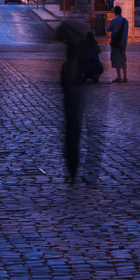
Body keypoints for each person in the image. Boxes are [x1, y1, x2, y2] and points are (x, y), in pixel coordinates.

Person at [54, 17, 108, 185]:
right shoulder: (84, 28)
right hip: (83, 85)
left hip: (73, 84)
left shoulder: (70, 27)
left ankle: (73, 170)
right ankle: (87, 172)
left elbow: (56, 36)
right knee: (89, 132)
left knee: (73, 130)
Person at [107, 5, 129, 82]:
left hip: (115, 43)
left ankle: (119, 77)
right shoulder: (125, 21)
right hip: (123, 43)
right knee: (123, 59)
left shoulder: (113, 20)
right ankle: (125, 77)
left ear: (115, 12)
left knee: (116, 59)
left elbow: (108, 29)